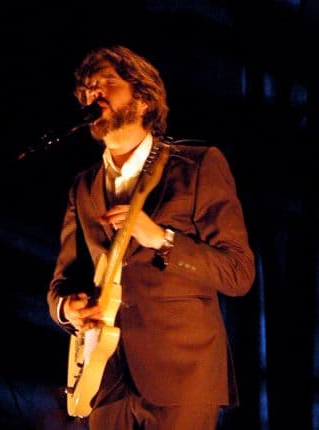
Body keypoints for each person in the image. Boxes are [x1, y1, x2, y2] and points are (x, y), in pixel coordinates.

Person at [46, 45, 255, 430]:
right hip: (106, 380)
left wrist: (161, 238)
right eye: (87, 88)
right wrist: (65, 308)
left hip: (181, 377)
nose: (94, 93)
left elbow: (238, 273)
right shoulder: (84, 187)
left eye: (107, 82)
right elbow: (63, 280)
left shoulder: (197, 166)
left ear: (143, 99)